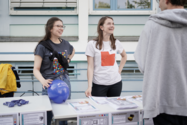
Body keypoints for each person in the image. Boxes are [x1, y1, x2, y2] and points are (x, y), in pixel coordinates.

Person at [134, 0, 187, 124]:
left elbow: (142, 63)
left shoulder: (152, 25)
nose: (158, 3)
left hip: (161, 100)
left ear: (166, 0)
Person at [33, 17, 75, 125]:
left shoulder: (65, 43)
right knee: (47, 116)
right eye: (58, 26)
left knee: (64, 114)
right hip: (50, 84)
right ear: (50, 28)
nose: (61, 28)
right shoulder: (42, 46)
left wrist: (68, 60)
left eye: (62, 26)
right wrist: (43, 81)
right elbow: (36, 69)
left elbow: (73, 50)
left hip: (65, 81)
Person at [85, 16, 127, 97]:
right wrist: (89, 87)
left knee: (114, 108)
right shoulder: (92, 44)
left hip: (116, 83)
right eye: (109, 24)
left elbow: (124, 56)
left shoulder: (116, 42)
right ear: (101, 27)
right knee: (100, 108)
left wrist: (120, 69)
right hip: (99, 84)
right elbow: (90, 67)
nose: (112, 25)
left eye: (113, 23)